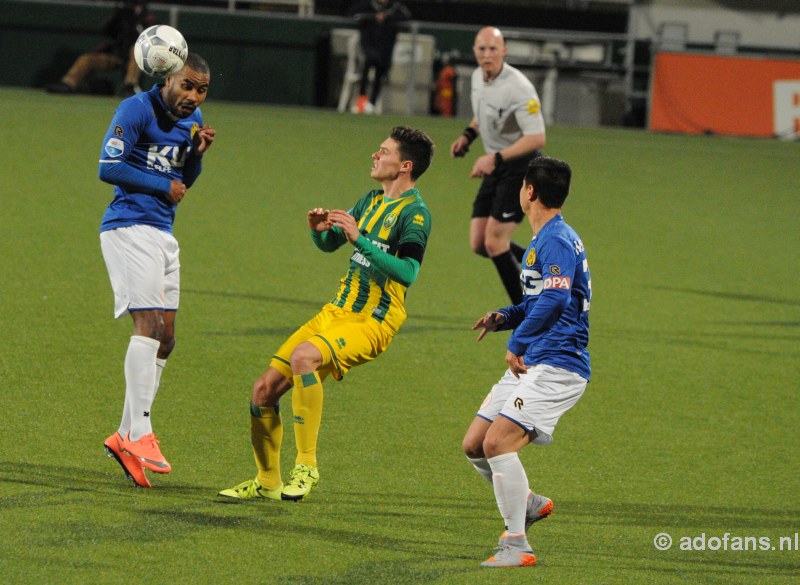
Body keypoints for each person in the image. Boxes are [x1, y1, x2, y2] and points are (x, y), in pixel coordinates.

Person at [219, 125, 435, 502]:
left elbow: (408, 273)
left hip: (373, 320)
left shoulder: (415, 214)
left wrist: (360, 239)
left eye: (383, 151)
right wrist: (318, 230)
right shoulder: (369, 200)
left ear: (405, 165)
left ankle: (306, 466)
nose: (375, 155)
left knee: (304, 357)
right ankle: (267, 480)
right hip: (335, 313)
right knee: (263, 391)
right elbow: (329, 242)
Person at [462, 156, 590, 567]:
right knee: (475, 446)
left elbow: (554, 300)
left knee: (497, 443)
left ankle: (517, 544)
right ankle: (528, 502)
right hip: (536, 358)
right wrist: (506, 317)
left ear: (529, 192)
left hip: (558, 365)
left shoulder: (554, 240)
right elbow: (541, 299)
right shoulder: (547, 237)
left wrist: (517, 341)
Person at [99, 53, 216, 488]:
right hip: (128, 228)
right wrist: (159, 184)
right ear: (166, 78)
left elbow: (181, 182)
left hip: (163, 233)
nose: (193, 96)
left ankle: (124, 435)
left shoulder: (193, 119)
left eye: (201, 89)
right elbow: (108, 167)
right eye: (186, 85)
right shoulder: (134, 110)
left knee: (166, 339)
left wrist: (197, 156)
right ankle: (142, 433)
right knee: (147, 326)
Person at [450, 26, 546, 305]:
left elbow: (537, 137)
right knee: (480, 244)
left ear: (504, 51)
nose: (487, 54)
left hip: (520, 168)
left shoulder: (519, 87)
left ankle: (526, 313)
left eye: (493, 49)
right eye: (482, 49)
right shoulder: (479, 78)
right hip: (497, 165)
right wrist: (467, 137)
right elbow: (483, 115)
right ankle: (538, 266)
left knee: (495, 242)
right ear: (475, 51)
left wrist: (495, 158)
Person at [46, 0, 155, 98]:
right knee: (87, 59)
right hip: (117, 56)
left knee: (136, 51)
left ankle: (129, 86)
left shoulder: (147, 20)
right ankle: (68, 84)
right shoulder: (120, 19)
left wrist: (137, 20)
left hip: (140, 58)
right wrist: (119, 17)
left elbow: (147, 39)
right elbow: (107, 32)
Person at [349, 0, 412, 114]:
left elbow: (406, 16)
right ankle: (361, 102)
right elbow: (355, 15)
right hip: (369, 46)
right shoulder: (366, 5)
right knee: (368, 63)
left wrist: (386, 17)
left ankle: (371, 104)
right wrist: (373, 17)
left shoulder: (394, 7)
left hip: (384, 50)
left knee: (380, 70)